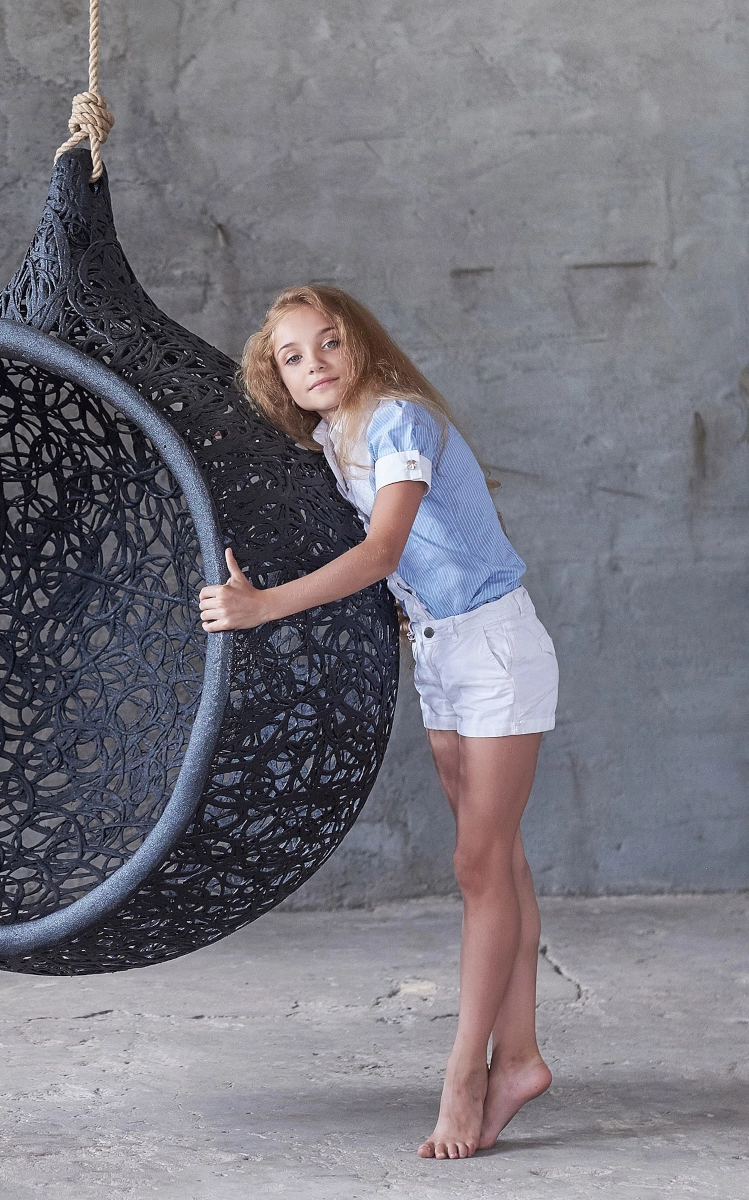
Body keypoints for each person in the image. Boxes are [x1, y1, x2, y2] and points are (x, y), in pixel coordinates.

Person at [198, 285, 558, 1159]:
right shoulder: (332, 435)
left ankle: (464, 1075)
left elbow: (384, 550)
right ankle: (521, 1059)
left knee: (477, 865)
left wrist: (264, 608)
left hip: (495, 649)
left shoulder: (397, 421)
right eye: (292, 355)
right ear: (277, 374)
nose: (314, 363)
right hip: (438, 653)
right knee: (498, 863)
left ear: (360, 345)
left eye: (328, 343)